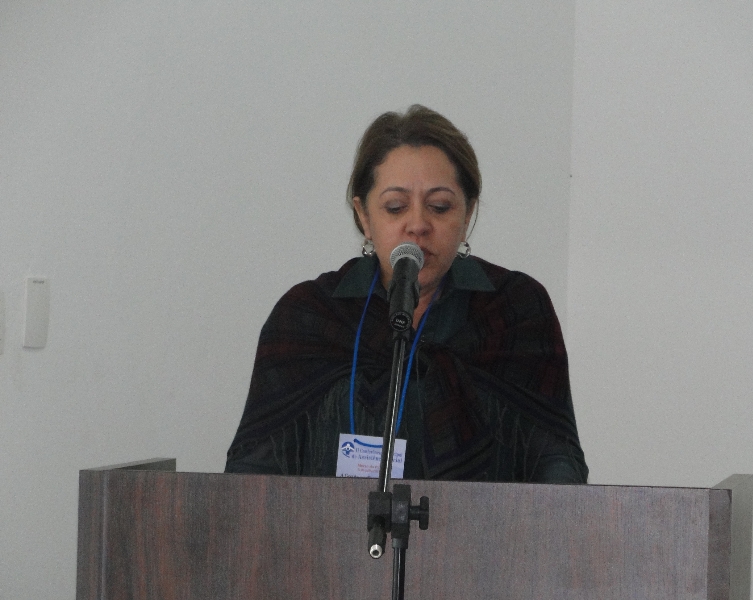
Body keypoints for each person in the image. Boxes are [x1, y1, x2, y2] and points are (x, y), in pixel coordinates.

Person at [225, 105, 588, 483]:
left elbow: (558, 466)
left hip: (485, 524)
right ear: (364, 216)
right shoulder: (308, 316)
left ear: (467, 214)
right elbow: (251, 476)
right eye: (396, 207)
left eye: (439, 207)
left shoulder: (515, 309)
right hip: (333, 524)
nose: (418, 224)